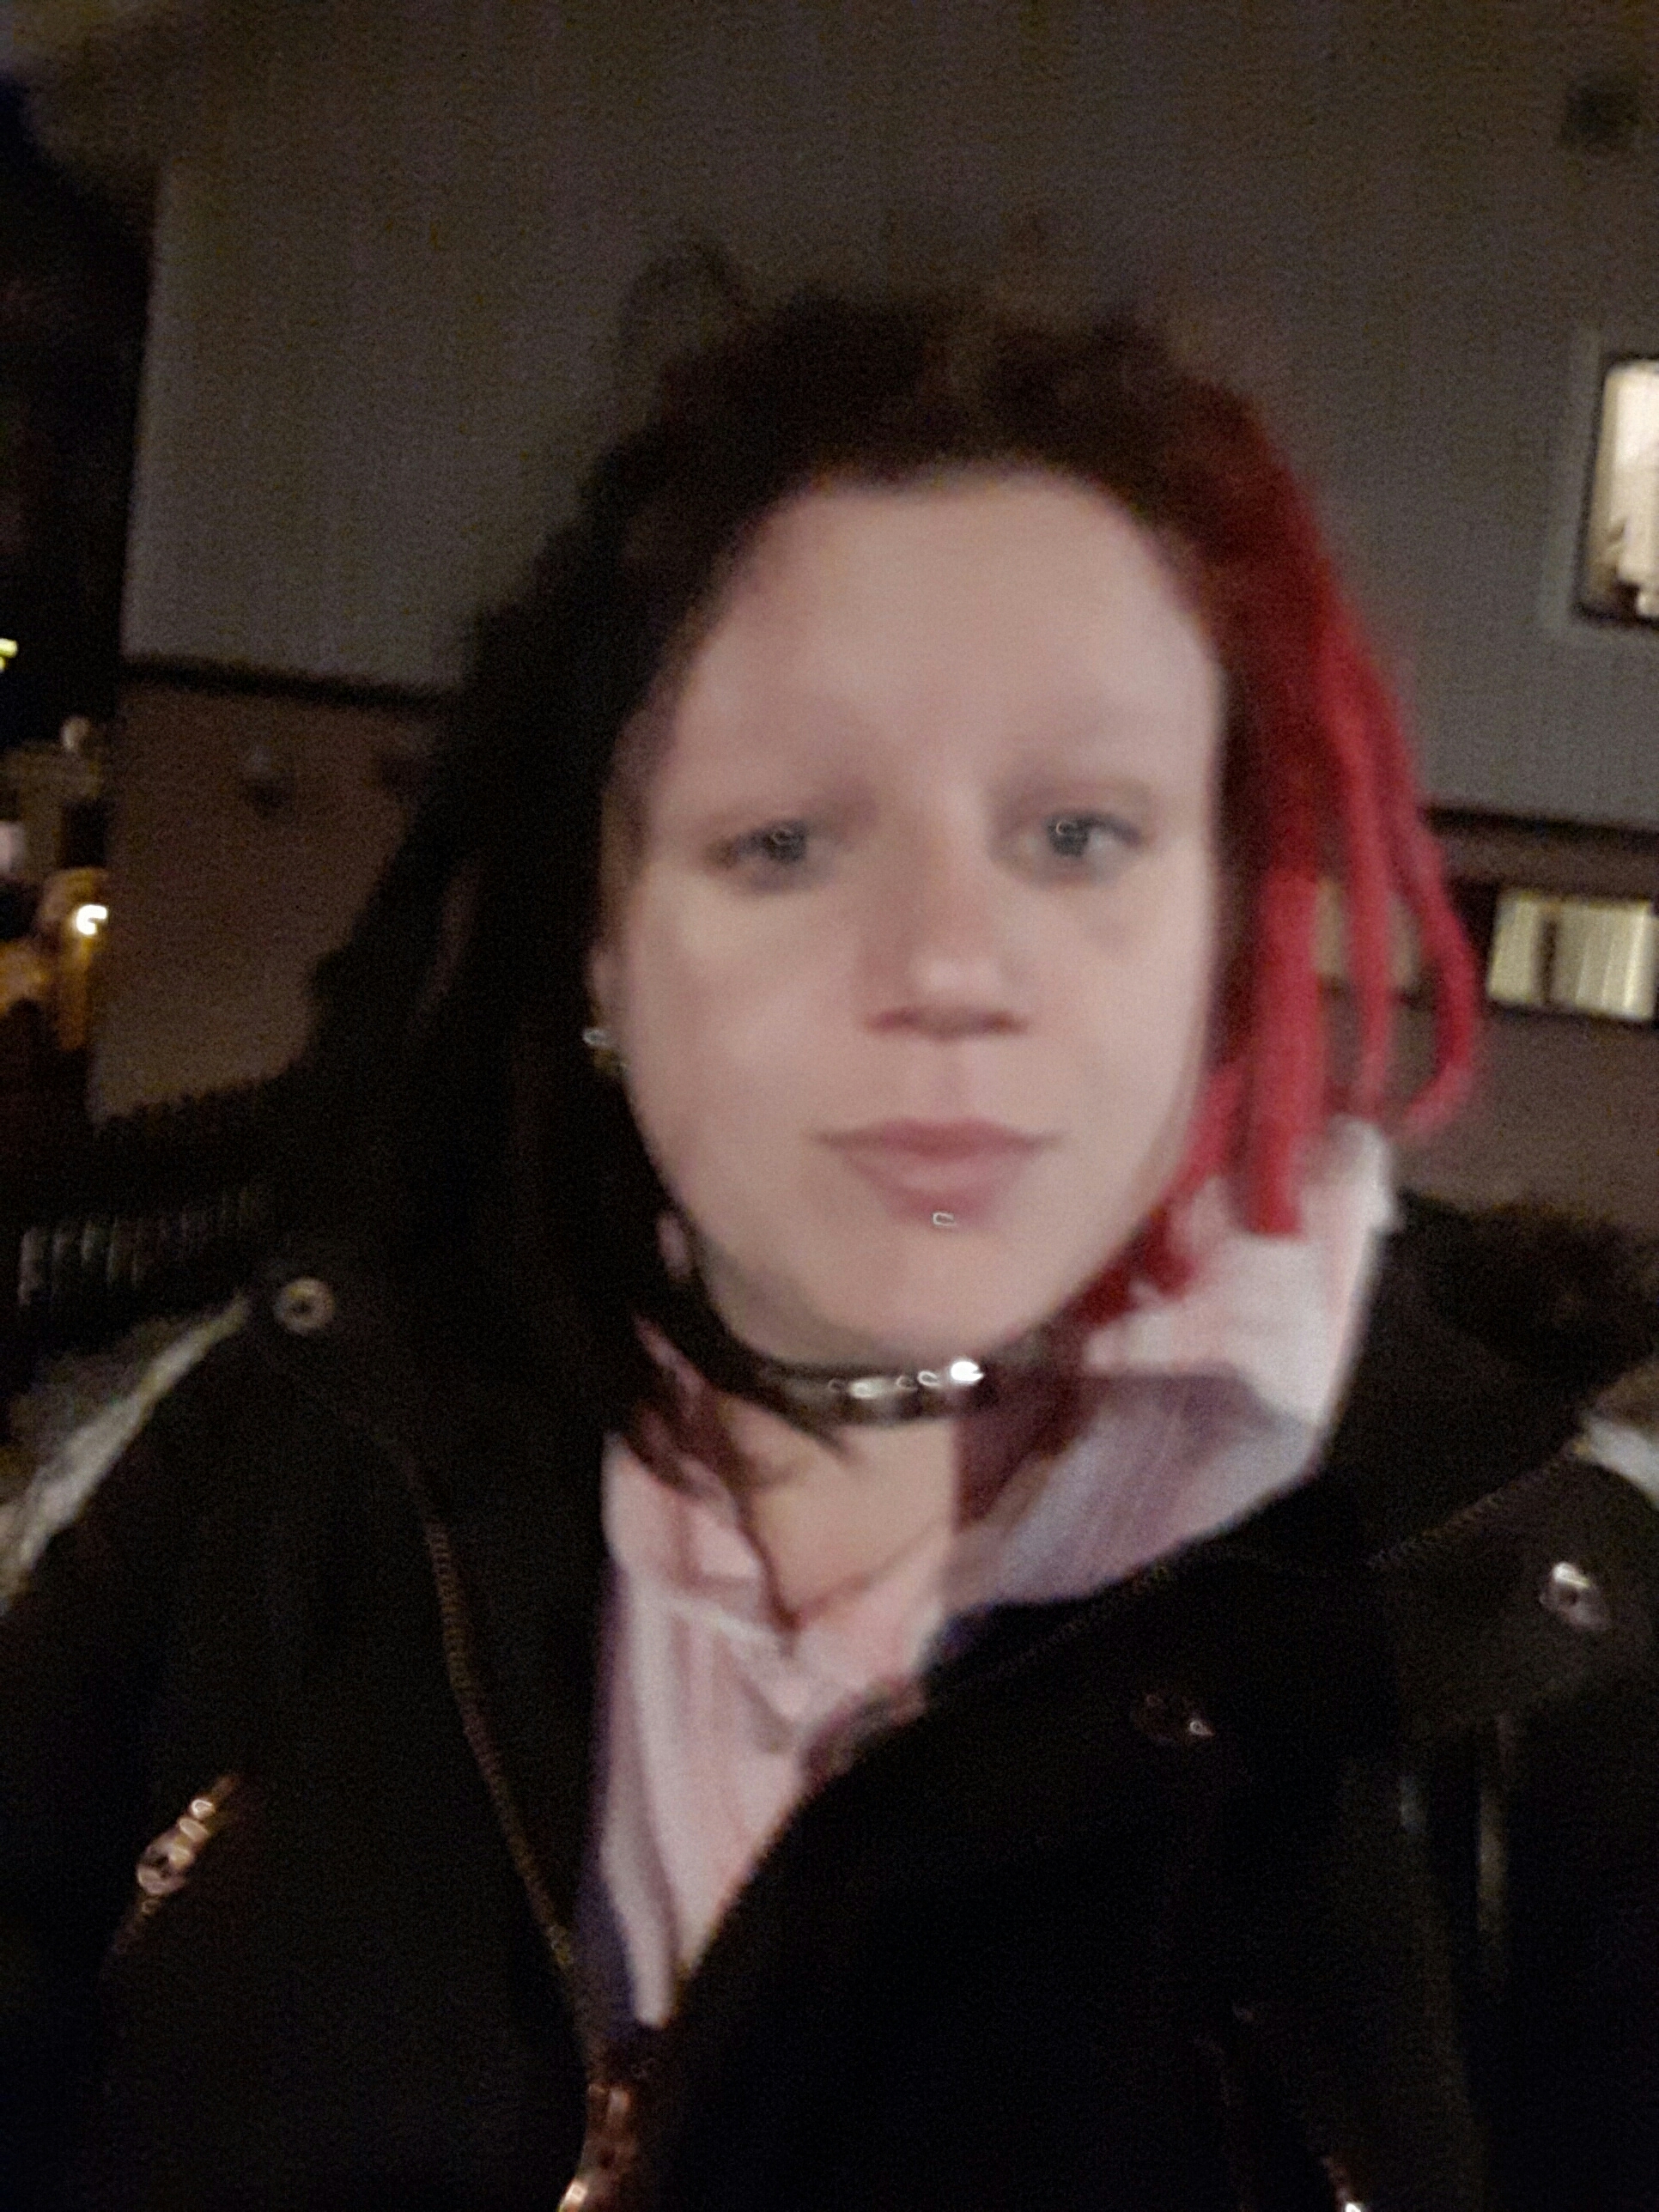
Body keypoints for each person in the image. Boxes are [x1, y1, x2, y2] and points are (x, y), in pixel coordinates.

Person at [3, 292, 1656, 2212]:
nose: (946, 967)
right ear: (605, 944)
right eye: (785, 838)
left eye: (1079, 832)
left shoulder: (1524, 1649)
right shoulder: (279, 1477)